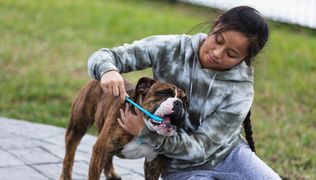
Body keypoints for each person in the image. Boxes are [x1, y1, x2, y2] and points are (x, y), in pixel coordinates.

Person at [87, 6, 281, 180]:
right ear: (215, 24)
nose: (217, 53)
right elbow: (106, 56)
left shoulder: (241, 89)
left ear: (246, 57)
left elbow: (202, 147)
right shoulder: (172, 49)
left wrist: (145, 133)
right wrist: (107, 69)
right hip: (178, 165)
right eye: (218, 40)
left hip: (229, 155)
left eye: (231, 54)